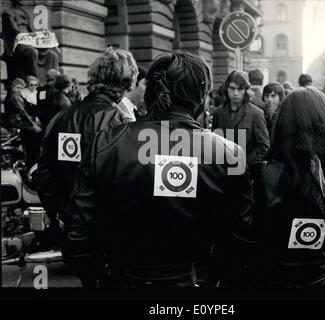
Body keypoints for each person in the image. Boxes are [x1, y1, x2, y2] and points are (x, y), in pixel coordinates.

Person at [62, 52, 254, 287]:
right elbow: (241, 236)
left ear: (150, 92)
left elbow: (77, 235)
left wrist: (102, 278)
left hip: (125, 276)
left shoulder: (106, 142)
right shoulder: (229, 153)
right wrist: (214, 276)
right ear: (201, 98)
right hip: (196, 277)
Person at [250, 87, 325, 288]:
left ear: (283, 124)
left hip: (270, 278)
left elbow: (252, 232)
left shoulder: (264, 175)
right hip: (319, 278)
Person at [36, 47, 139, 257]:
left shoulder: (61, 118)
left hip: (73, 227)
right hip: (110, 229)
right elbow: (128, 180)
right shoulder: (121, 122)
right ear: (124, 84)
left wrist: (60, 214)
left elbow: (44, 174)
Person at [212, 71, 270, 174]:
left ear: (246, 91)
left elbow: (264, 146)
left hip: (246, 173)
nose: (235, 93)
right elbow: (214, 143)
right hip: (222, 173)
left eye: (240, 89)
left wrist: (245, 162)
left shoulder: (255, 113)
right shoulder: (218, 113)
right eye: (232, 88)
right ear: (227, 88)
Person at [1, 0, 59, 84]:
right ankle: (33, 81)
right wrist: (28, 38)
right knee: (31, 51)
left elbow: (31, 31)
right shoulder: (7, 13)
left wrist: (42, 40)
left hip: (28, 41)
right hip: (17, 43)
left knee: (52, 54)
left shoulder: (23, 12)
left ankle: (51, 81)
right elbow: (14, 31)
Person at [4, 77, 42, 168]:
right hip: (15, 122)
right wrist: (33, 125)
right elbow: (22, 112)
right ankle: (32, 158)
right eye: (18, 87)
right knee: (34, 133)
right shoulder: (14, 97)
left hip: (17, 121)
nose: (19, 90)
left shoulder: (17, 96)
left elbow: (25, 108)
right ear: (13, 87)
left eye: (21, 88)